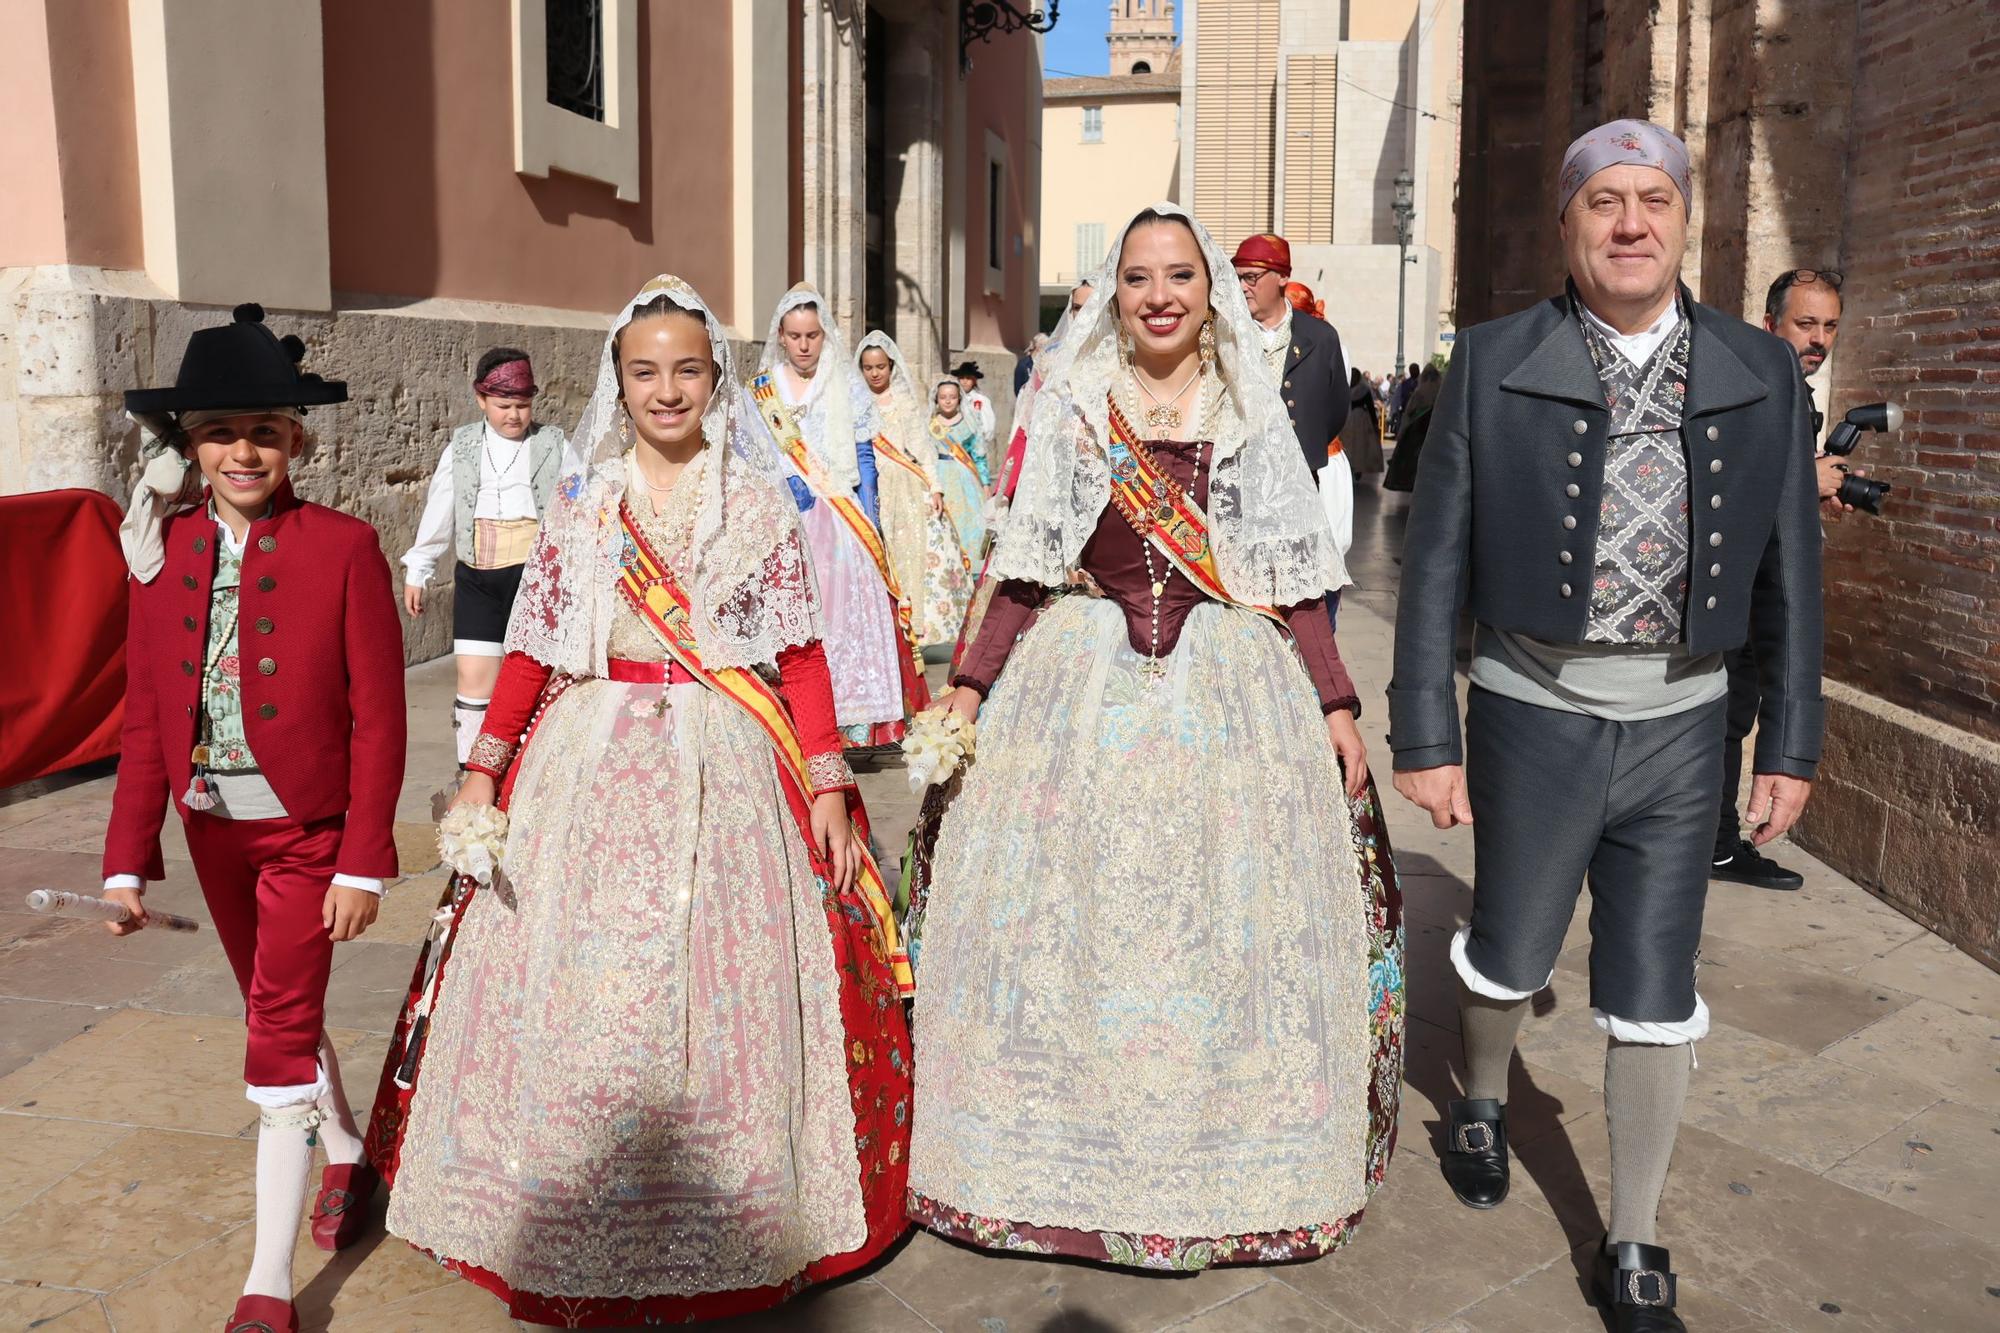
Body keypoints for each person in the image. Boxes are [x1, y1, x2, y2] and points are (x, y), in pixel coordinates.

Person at [364, 276, 914, 1327]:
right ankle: (560, 1197)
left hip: (726, 762)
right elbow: (532, 648)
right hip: (593, 757)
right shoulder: (584, 497)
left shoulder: (758, 500)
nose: (667, 389)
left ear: (716, 381)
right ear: (618, 379)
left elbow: (797, 657)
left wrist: (829, 779)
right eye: (645, 370)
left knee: (725, 975)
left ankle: (734, 1209)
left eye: (688, 370)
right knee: (585, 971)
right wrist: (484, 764)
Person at [906, 203, 1403, 1270]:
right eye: (1138, 278)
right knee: (1072, 921)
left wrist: (1334, 702)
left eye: (1180, 274)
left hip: (1228, 688)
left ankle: (1221, 1157)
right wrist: (967, 689)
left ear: (1209, 290)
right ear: (1115, 294)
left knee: (1218, 924)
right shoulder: (1079, 403)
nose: (1161, 295)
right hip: (1081, 682)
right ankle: (1054, 1157)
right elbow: (1027, 567)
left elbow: (1293, 575)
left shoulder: (1246, 407)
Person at [1390, 121, 1822, 1333]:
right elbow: (1432, 566)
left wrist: (1786, 745)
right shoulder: (1488, 358)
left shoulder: (1758, 366)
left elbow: (1792, 571)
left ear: (1685, 222)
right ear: (1567, 224)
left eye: (1653, 201)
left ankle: (1631, 1232)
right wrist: (1426, 728)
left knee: (1653, 978)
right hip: (1533, 710)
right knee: (1514, 947)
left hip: (1687, 724)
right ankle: (1477, 1093)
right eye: (1603, 203)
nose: (1629, 223)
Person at [103, 304, 406, 1333]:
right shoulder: (169, 554)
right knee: (275, 1008)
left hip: (308, 834)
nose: (244, 450)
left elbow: (379, 718)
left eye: (264, 431)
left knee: (275, 1032)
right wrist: (125, 858)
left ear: (297, 442)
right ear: (189, 445)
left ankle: (267, 1286)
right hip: (210, 828)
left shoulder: (346, 547)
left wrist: (365, 860)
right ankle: (350, 1155)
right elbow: (147, 713)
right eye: (221, 432)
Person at [1708, 266, 1854, 891]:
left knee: (1735, 715)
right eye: (1806, 323)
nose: (1818, 338)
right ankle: (1707, 845)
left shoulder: (1792, 386)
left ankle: (1711, 844)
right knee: (1724, 716)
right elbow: (1724, 484)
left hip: (1762, 590)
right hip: (1731, 595)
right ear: (1770, 325)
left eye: (1829, 327)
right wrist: (1804, 482)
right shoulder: (1751, 384)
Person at [751, 284, 927, 747]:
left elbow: (864, 457)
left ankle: (848, 721)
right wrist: (782, 484)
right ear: (782, 337)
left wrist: (868, 520)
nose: (804, 345)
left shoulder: (846, 382)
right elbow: (755, 454)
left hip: (840, 518)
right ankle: (792, 716)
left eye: (812, 335)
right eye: (795, 336)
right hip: (784, 518)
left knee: (844, 619)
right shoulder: (765, 388)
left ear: (824, 335)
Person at [399, 348, 568, 768]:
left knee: (536, 677)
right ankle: (471, 774)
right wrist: (419, 569)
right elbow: (440, 509)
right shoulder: (462, 447)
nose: (514, 415)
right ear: (481, 400)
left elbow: (580, 502)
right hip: (479, 579)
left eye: (523, 405)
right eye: (503, 405)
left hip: (537, 579)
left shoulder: (554, 444)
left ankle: (528, 774)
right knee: (474, 681)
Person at [1232, 232, 1355, 566]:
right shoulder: (1226, 334)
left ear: (1283, 276)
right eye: (1237, 277)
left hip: (1300, 487)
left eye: (1251, 277)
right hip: (1240, 489)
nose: (1242, 286)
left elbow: (1335, 410)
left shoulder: (1320, 336)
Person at [859, 330, 975, 647]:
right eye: (868, 367)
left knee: (913, 552)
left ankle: (916, 624)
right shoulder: (856, 400)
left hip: (906, 484)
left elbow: (922, 447)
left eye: (880, 366)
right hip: (870, 485)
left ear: (891, 366)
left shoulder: (903, 401)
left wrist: (934, 485)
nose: (874, 373)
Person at [930, 378, 992, 562]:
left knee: (968, 523)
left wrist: (986, 483)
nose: (948, 401)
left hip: (965, 479)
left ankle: (968, 562)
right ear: (936, 399)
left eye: (952, 397)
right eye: (943, 397)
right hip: (939, 476)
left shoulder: (969, 424)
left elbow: (979, 456)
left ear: (959, 399)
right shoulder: (930, 425)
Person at [1382, 363, 1443, 492]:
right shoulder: (1441, 390)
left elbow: (1410, 410)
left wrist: (1403, 429)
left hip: (1417, 428)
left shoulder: (1420, 391)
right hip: (1434, 428)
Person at [1340, 366, 1387, 479]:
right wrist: (1375, 423)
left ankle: (1349, 466)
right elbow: (1371, 407)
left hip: (1347, 418)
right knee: (1360, 445)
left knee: (1348, 443)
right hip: (1362, 418)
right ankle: (1358, 467)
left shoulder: (1345, 388)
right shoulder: (1364, 389)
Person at [949, 359, 998, 460]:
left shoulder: (981, 400)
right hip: (955, 448)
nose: (964, 381)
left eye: (968, 378)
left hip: (974, 449)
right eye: (962, 378)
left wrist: (979, 443)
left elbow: (988, 425)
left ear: (974, 380)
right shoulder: (953, 399)